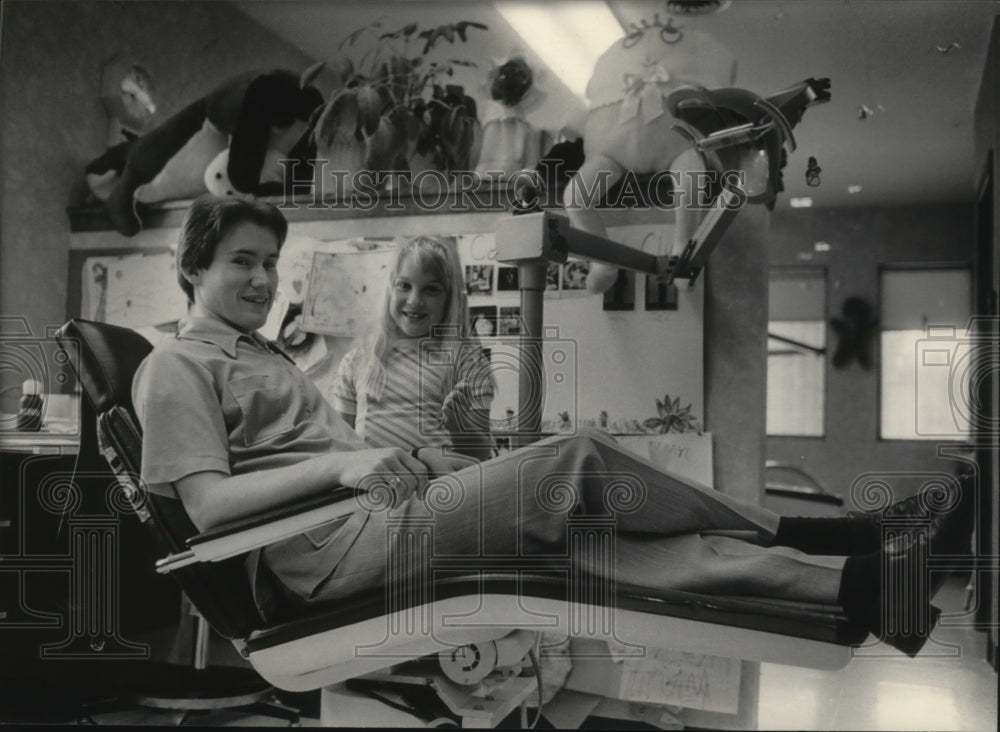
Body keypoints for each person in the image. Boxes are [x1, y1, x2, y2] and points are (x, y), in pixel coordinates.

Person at [133, 195, 973, 657]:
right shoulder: (176, 365)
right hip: (315, 557)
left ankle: (859, 589)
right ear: (193, 268)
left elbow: (339, 448)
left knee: (594, 543)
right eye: (241, 261)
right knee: (570, 462)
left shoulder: (270, 358)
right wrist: (346, 471)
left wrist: (408, 454)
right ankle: (829, 533)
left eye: (268, 262)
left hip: (369, 520)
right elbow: (205, 509)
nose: (260, 277)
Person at [330, 236, 496, 464]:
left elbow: (481, 455)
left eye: (431, 290)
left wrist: (460, 427)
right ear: (390, 289)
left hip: (436, 494)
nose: (414, 300)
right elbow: (341, 448)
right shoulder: (360, 359)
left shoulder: (467, 362)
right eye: (404, 285)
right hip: (372, 493)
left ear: (449, 299)